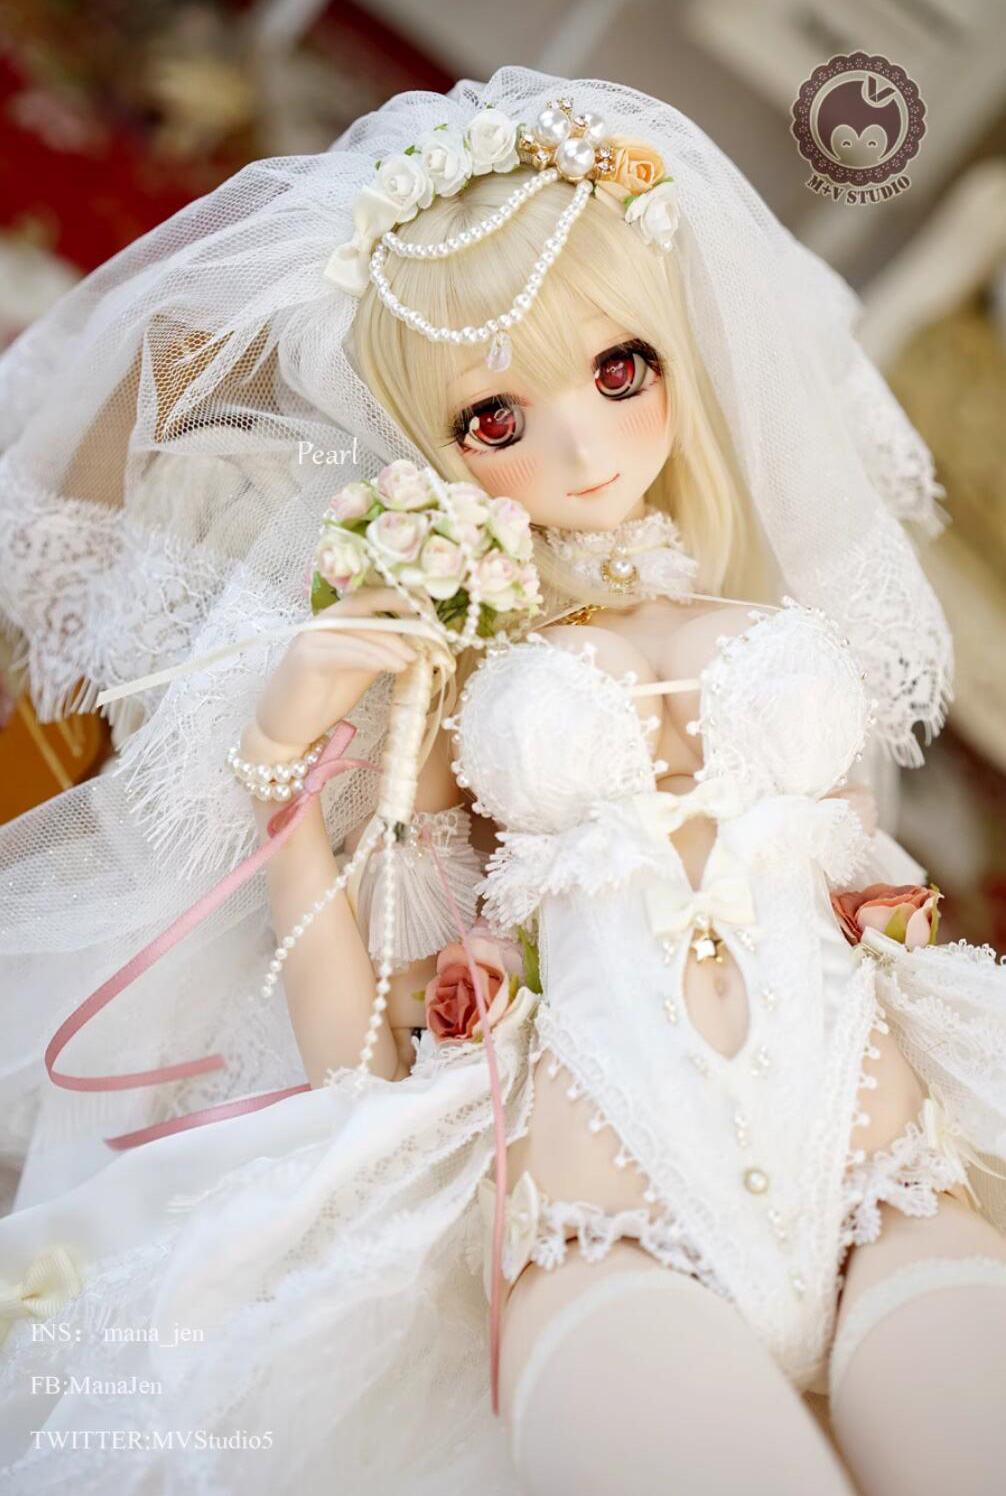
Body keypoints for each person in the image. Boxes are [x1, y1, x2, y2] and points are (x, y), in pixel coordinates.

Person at [1, 65, 1006, 1496]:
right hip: (599, 1228)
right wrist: (281, 770)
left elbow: (865, 897)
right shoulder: (456, 679)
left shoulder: (773, 624)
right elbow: (365, 1054)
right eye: (495, 417)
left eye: (619, 370)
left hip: (892, 1183)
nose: (583, 445)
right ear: (436, 447)